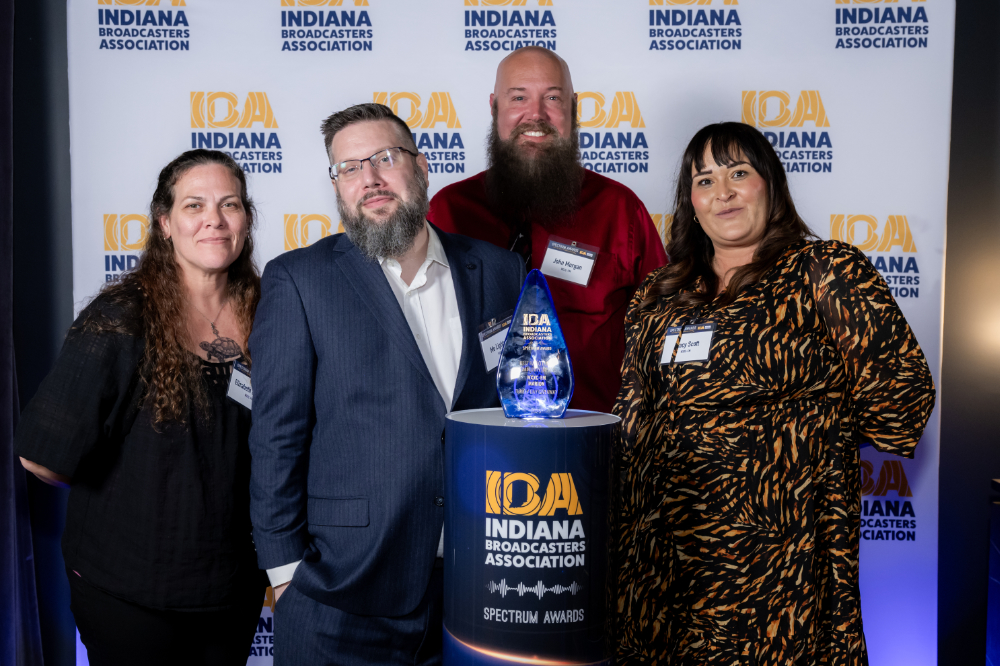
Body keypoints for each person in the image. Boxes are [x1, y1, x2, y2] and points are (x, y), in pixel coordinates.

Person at [611, 122, 935, 665]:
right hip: (663, 556)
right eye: (705, 180)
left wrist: (803, 441)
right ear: (690, 202)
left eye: (738, 173)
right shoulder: (658, 293)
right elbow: (632, 415)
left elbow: (903, 397)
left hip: (780, 556)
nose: (723, 192)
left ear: (771, 184)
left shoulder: (824, 271)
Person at [248, 103, 525, 664]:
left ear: (421, 167)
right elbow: (277, 436)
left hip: (476, 583)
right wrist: (285, 572)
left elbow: (513, 409)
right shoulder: (300, 280)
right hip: (342, 589)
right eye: (349, 168)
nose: (369, 178)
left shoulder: (500, 271)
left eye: (384, 158)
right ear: (336, 186)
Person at [15, 149, 267, 665]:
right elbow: (41, 457)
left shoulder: (271, 312)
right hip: (129, 592)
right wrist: (137, 494)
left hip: (232, 589)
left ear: (246, 219)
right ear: (165, 223)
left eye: (230, 204)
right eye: (194, 205)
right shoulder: (120, 319)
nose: (215, 219)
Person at [427, 46, 667, 414]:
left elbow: (663, 329)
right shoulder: (448, 210)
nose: (536, 114)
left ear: (574, 108)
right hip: (478, 433)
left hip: (593, 434)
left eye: (552, 98)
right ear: (494, 107)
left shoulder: (620, 209)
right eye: (518, 97)